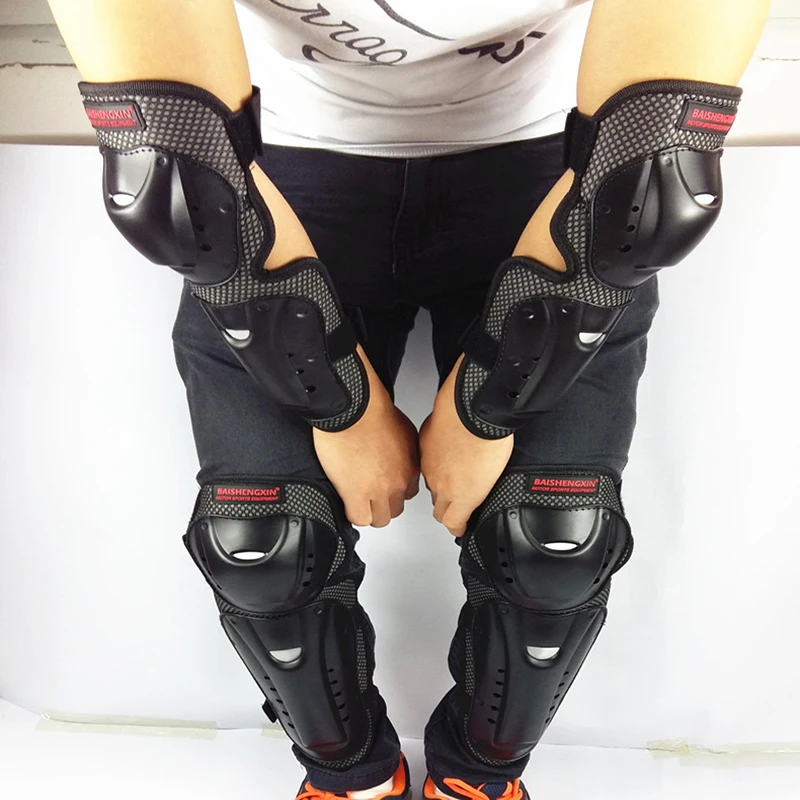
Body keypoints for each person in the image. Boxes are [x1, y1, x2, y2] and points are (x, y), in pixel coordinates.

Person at [46, 1, 770, 798]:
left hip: (553, 193)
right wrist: (343, 409)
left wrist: (489, 407)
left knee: (555, 539)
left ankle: (480, 777)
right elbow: (176, 170)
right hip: (270, 196)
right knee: (263, 544)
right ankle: (351, 777)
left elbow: (652, 169)